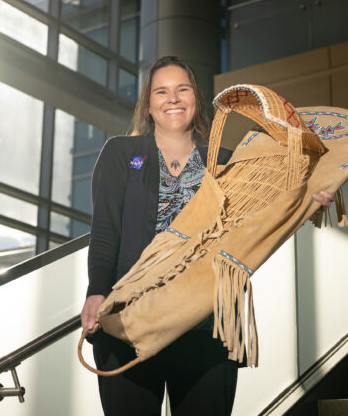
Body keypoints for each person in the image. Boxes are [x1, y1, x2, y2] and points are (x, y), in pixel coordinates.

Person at [80, 55, 334, 416]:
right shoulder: (121, 153)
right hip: (128, 323)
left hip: (207, 327)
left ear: (196, 98)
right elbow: (105, 230)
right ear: (149, 104)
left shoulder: (227, 163)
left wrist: (309, 202)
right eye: (161, 91)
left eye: (182, 89)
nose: (173, 98)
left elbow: (261, 219)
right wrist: (96, 291)